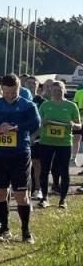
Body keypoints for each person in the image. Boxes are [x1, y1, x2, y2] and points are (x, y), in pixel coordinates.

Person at [0, 75, 41, 242]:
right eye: (6, 92)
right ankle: (4, 227)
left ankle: (25, 231)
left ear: (19, 88)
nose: (9, 95)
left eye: (13, 92)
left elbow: (36, 123)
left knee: (21, 194)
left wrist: (15, 128)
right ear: (2, 89)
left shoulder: (28, 105)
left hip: (19, 154)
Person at [36, 80, 80, 209]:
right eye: (54, 90)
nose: (57, 92)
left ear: (64, 90)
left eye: (60, 90)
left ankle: (63, 199)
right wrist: (41, 125)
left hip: (64, 143)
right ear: (50, 92)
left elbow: (79, 125)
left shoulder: (71, 106)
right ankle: (44, 198)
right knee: (44, 170)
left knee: (63, 171)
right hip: (46, 142)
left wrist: (73, 124)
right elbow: (39, 122)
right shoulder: (45, 105)